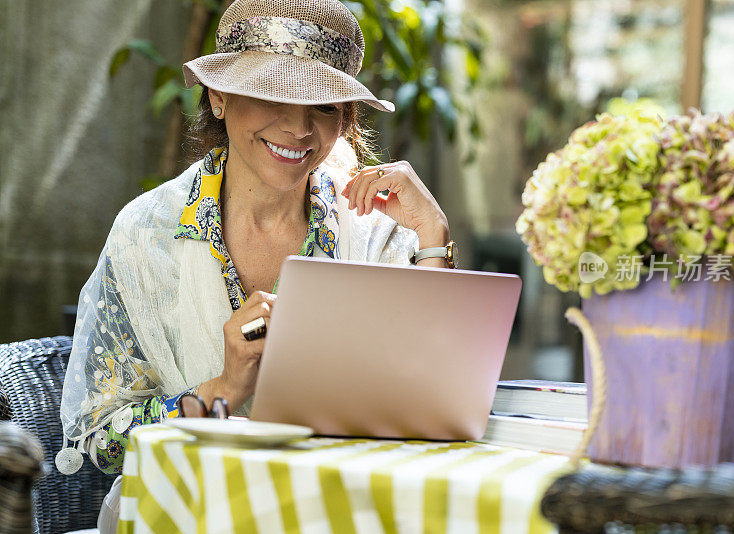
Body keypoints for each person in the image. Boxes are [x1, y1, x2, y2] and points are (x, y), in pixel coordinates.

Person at [58, 0, 454, 508]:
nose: (299, 128)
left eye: (325, 106)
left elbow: (439, 400)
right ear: (219, 97)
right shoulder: (146, 236)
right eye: (274, 95)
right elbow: (102, 440)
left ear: (346, 120)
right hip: (189, 513)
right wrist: (220, 389)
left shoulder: (375, 231)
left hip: (342, 509)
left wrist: (432, 237)